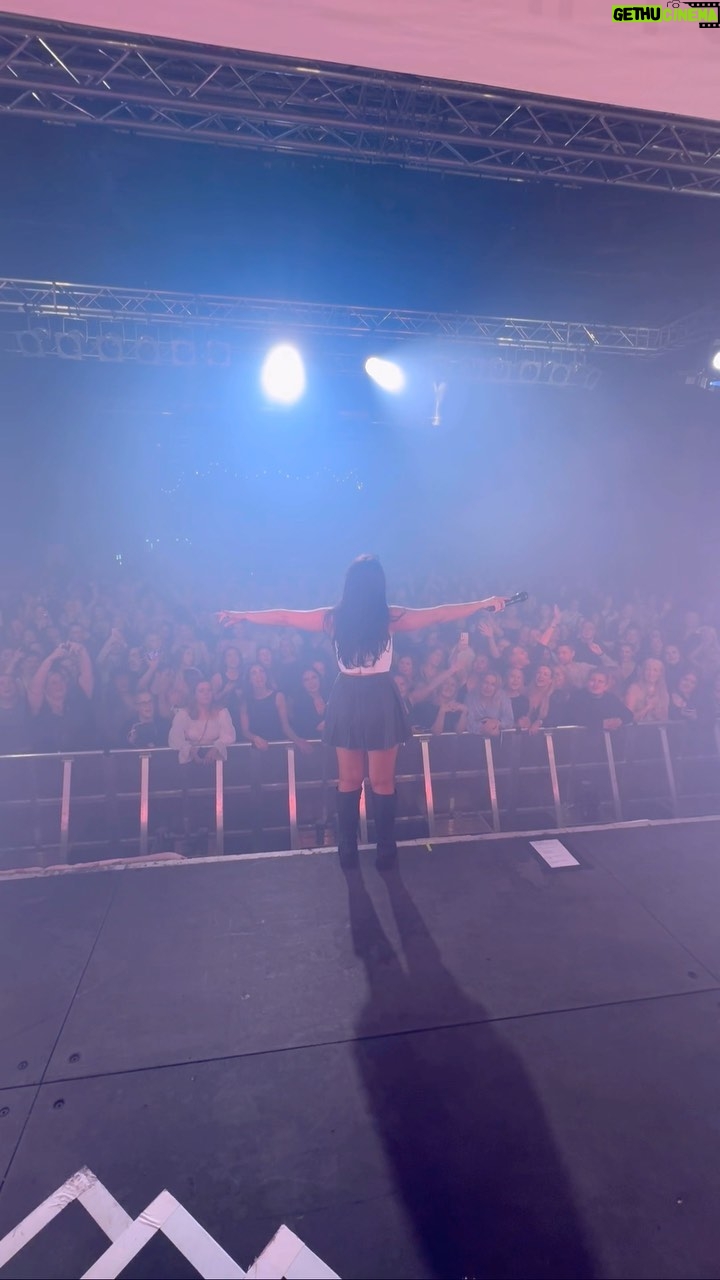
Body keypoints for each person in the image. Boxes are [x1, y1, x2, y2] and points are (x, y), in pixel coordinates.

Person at [218, 555, 506, 868]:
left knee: (350, 780)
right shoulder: (386, 617)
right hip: (375, 695)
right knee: (379, 781)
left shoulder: (336, 618)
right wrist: (482, 603)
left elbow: (285, 617)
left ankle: (349, 847)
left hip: (351, 695)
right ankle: (382, 848)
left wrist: (244, 616)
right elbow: (438, 615)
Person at [168, 678, 236, 765]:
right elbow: (174, 738)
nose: (206, 693)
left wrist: (216, 748)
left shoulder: (222, 713)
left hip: (216, 760)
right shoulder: (183, 714)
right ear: (194, 694)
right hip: (190, 762)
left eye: (209, 690)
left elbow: (229, 736)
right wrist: (189, 749)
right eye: (201, 691)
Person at [565, 669, 633, 732]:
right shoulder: (577, 697)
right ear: (587, 682)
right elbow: (574, 718)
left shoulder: (611, 698)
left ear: (606, 686)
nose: (596, 684)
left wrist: (620, 721)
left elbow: (628, 715)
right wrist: (601, 724)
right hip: (582, 737)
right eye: (592, 680)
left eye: (600, 681)